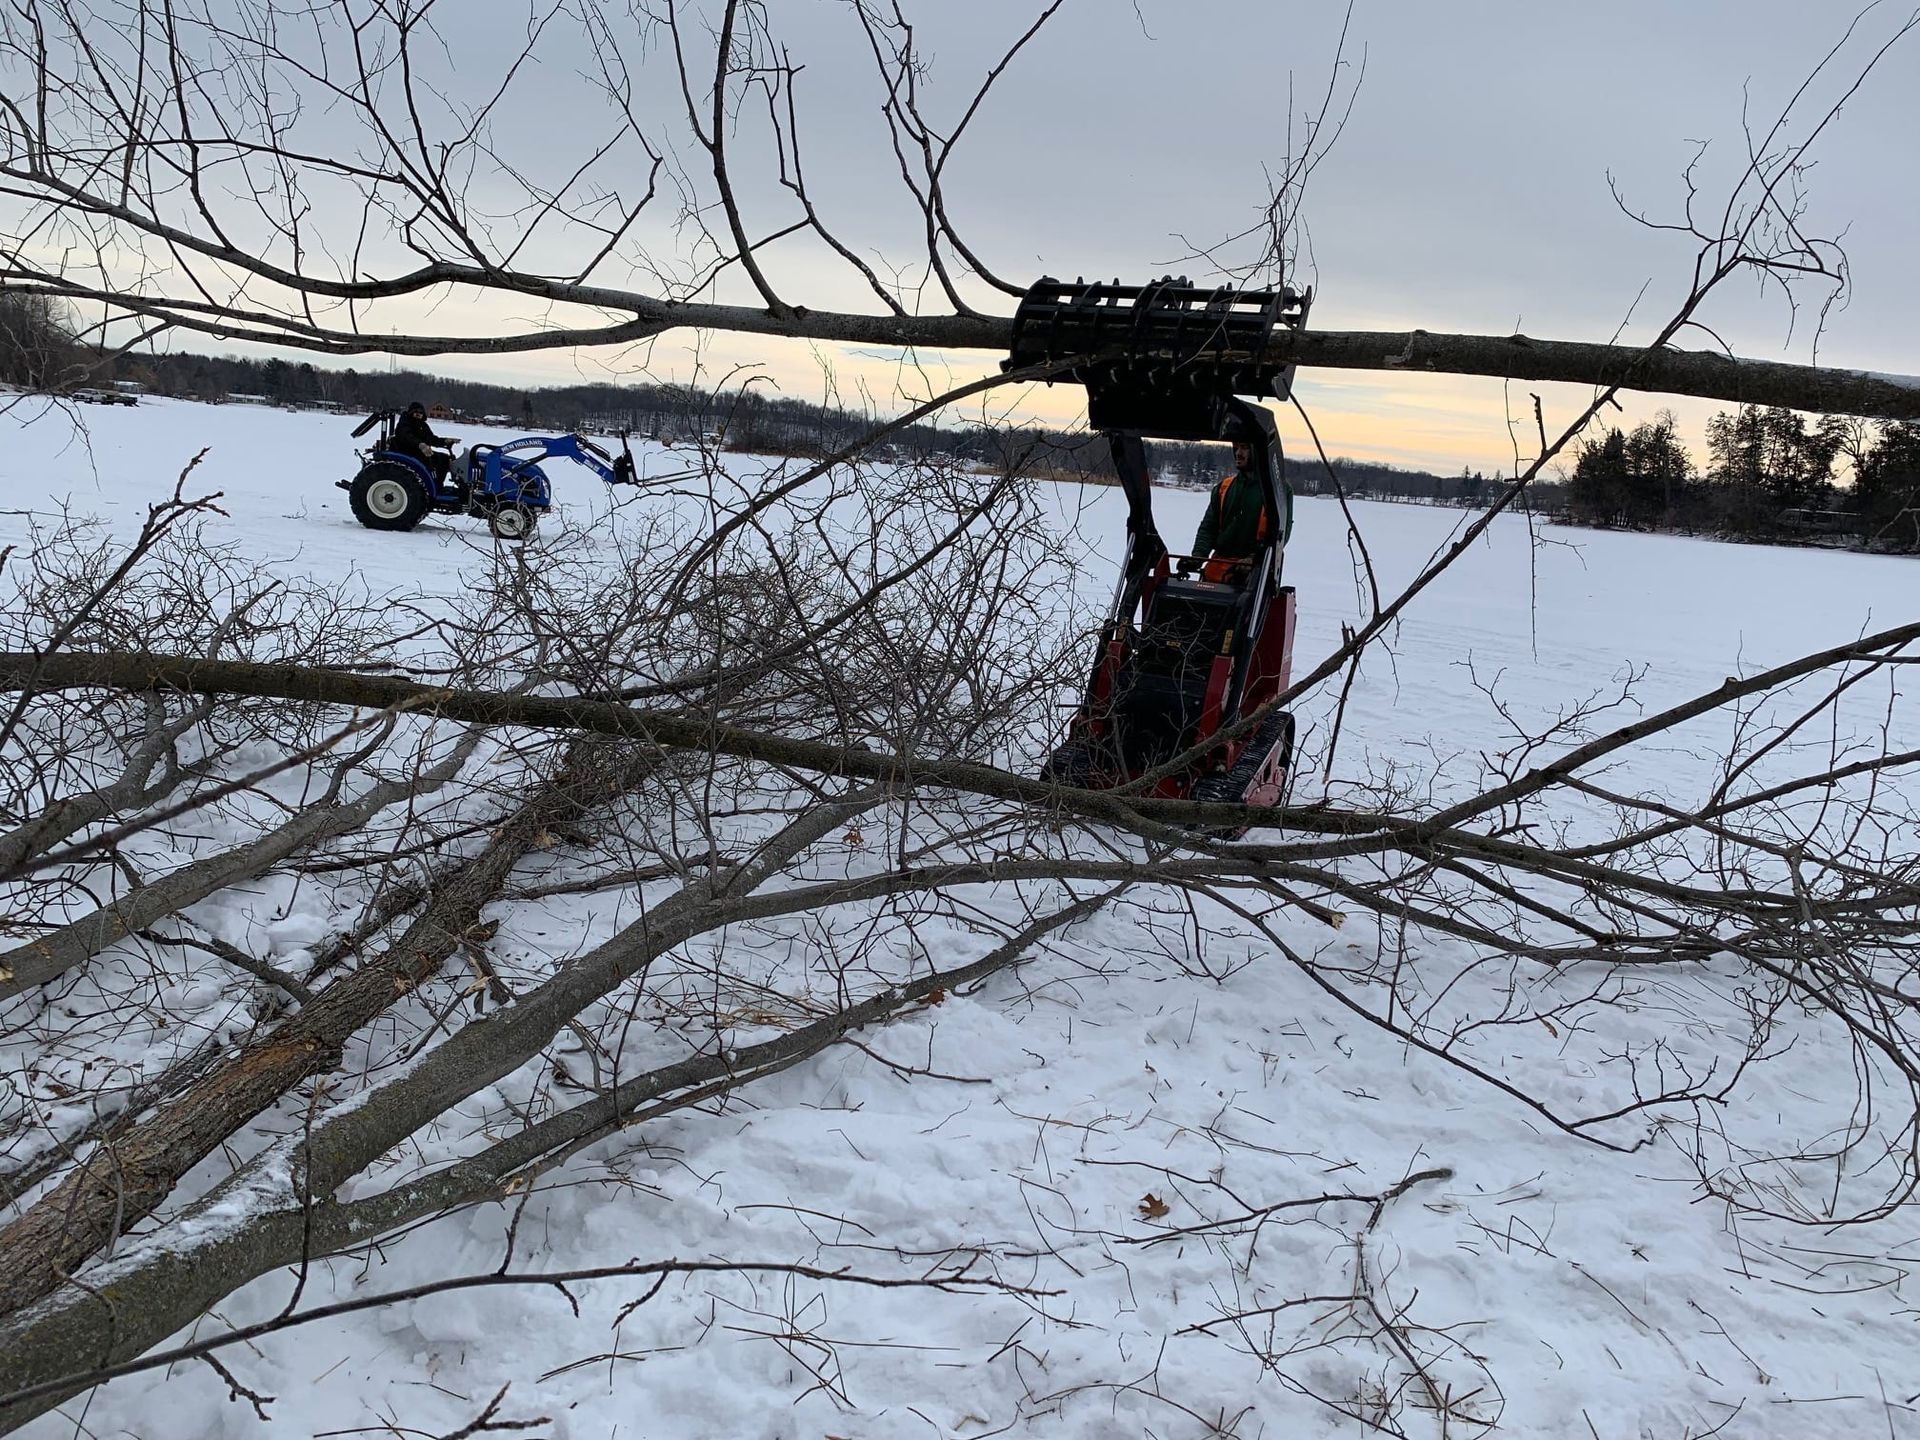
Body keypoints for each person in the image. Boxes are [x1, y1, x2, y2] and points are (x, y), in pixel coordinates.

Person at [1181, 438, 1269, 582]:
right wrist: (1198, 556)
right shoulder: (1224, 487)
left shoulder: (1276, 492)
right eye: (1236, 448)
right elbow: (1208, 527)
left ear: (1258, 451)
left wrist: (1253, 559)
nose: (1238, 453)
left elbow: (1278, 537)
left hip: (1251, 575)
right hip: (1216, 569)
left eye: (1244, 447)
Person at [392, 401, 460, 491]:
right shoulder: (405, 423)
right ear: (411, 412)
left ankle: (439, 485)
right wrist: (420, 445)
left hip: (419, 452)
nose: (418, 414)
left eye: (421, 412)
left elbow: (431, 439)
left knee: (445, 459)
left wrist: (445, 441)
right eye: (416, 412)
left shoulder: (422, 425)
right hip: (408, 451)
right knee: (436, 460)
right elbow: (407, 437)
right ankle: (434, 488)